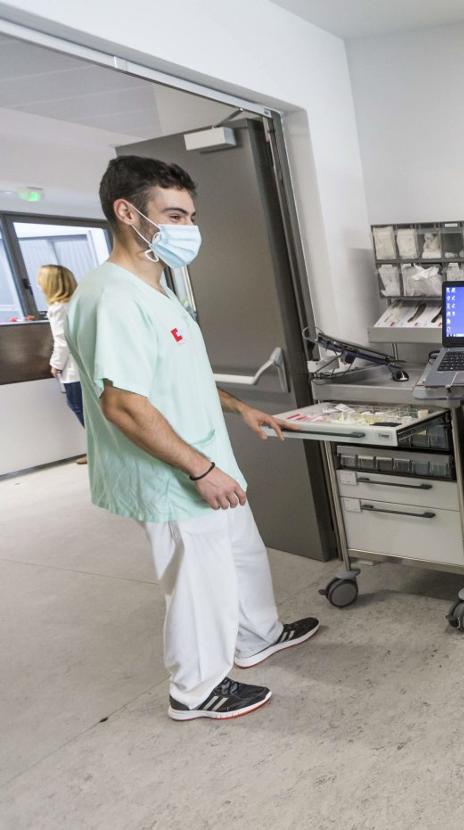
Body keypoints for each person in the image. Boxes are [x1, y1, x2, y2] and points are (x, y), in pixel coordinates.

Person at [66, 155, 319, 722]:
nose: (187, 230)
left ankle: (257, 635)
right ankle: (196, 689)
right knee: (198, 579)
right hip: (172, 474)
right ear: (127, 212)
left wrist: (239, 407)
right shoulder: (114, 298)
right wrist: (201, 471)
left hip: (204, 455)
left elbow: (175, 376)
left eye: (191, 216)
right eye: (174, 215)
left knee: (240, 552)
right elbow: (124, 404)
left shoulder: (157, 287)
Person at [39, 264, 88, 463]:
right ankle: (100, 449)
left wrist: (56, 364)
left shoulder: (58, 308)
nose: (38, 285)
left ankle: (100, 450)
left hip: (74, 369)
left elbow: (62, 340)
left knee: (77, 405)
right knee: (89, 409)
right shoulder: (78, 303)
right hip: (86, 366)